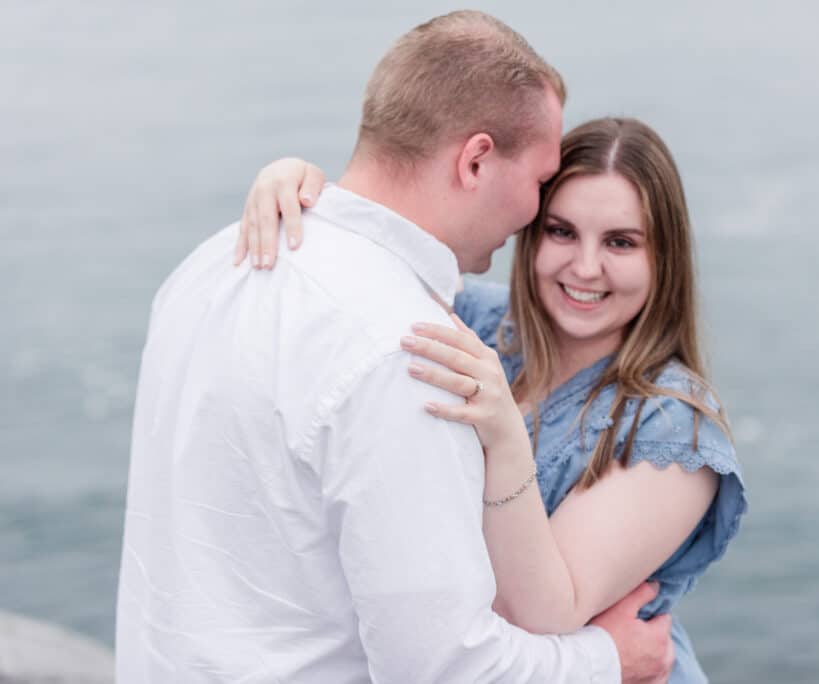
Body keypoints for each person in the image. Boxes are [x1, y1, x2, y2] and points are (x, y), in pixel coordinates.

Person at [116, 11, 676, 683]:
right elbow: (442, 670)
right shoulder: (414, 352)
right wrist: (607, 660)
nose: (534, 210)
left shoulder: (212, 264)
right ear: (475, 160)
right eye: (539, 182)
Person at [240, 118, 748, 683]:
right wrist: (297, 187)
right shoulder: (478, 324)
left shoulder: (673, 429)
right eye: (561, 232)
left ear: (665, 258)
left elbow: (544, 613)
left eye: (620, 242)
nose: (584, 267)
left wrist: (505, 436)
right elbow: (372, 251)